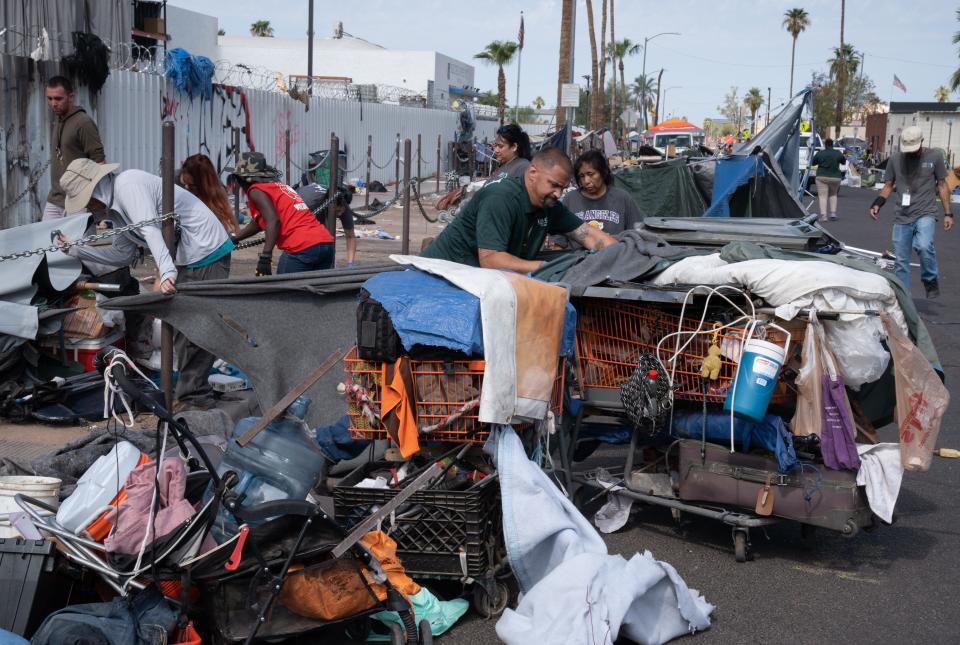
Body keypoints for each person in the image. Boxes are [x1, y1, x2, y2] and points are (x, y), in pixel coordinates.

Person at [59, 159, 233, 408]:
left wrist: (167, 272)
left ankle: (195, 399)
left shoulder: (128, 185)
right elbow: (121, 254)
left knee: (198, 327)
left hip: (205, 247)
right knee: (183, 329)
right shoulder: (113, 210)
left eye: (86, 199)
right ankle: (190, 395)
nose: (87, 205)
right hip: (184, 254)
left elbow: (151, 229)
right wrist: (76, 250)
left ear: (94, 190)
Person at [422, 147, 617, 272]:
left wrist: (623, 255)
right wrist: (544, 268)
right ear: (533, 173)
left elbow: (588, 235)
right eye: (554, 185)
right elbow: (491, 259)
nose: (558, 194)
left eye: (563, 188)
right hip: (439, 279)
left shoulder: (549, 204)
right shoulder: (500, 198)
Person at [869, 126, 954, 298]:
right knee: (901, 261)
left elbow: (943, 185)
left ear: (922, 142)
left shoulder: (935, 157)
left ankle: (930, 279)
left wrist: (948, 213)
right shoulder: (895, 159)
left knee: (923, 245)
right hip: (902, 214)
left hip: (926, 212)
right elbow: (888, 186)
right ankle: (904, 299)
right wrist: (877, 203)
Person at [228, 152, 336, 275]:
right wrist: (236, 238)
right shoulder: (277, 186)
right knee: (314, 292)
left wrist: (265, 257)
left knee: (285, 292)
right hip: (325, 243)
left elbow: (273, 221)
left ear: (243, 178)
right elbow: (258, 223)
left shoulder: (255, 190)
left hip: (301, 247)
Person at [44, 76, 106, 221]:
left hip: (79, 200)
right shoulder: (60, 120)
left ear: (71, 97)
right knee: (46, 242)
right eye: (50, 98)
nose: (53, 103)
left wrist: (92, 199)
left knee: (80, 243)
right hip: (55, 198)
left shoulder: (83, 122)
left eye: (58, 99)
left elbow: (100, 162)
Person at [562, 149, 645, 238]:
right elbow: (559, 241)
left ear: (604, 172)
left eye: (590, 174)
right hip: (578, 252)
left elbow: (637, 235)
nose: (586, 181)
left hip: (614, 251)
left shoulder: (622, 198)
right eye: (582, 176)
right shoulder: (570, 200)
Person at [296, 183, 357, 267]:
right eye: (337, 212)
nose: (339, 214)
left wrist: (350, 264)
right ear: (329, 205)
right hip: (302, 200)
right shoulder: (311, 205)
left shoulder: (343, 206)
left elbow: (350, 236)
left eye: (341, 211)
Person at [179, 154, 240, 235]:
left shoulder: (215, 191)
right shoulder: (179, 185)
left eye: (192, 186)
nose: (186, 188)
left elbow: (227, 212)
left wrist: (237, 230)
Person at [812, 138, 845, 221]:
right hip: (835, 177)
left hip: (822, 177)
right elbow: (843, 162)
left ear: (825, 145)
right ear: (832, 144)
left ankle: (824, 216)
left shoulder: (820, 153)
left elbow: (813, 162)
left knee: (823, 196)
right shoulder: (838, 153)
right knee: (833, 194)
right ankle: (833, 213)